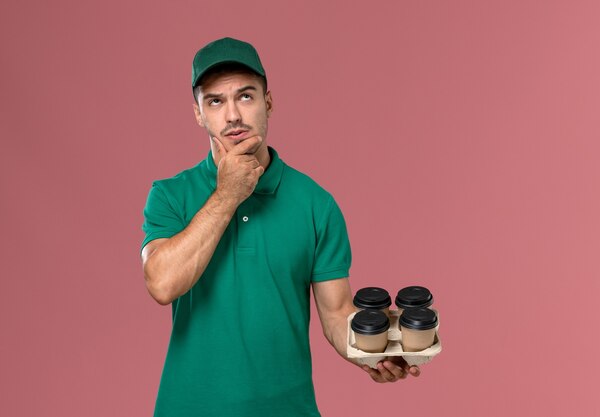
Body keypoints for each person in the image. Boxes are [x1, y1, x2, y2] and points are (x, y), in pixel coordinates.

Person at [140, 37, 420, 417]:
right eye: (215, 101)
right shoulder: (170, 195)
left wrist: (372, 355)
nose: (233, 115)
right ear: (198, 114)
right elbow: (162, 283)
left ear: (268, 102)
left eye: (246, 96)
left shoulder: (315, 204)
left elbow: (337, 313)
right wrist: (227, 195)